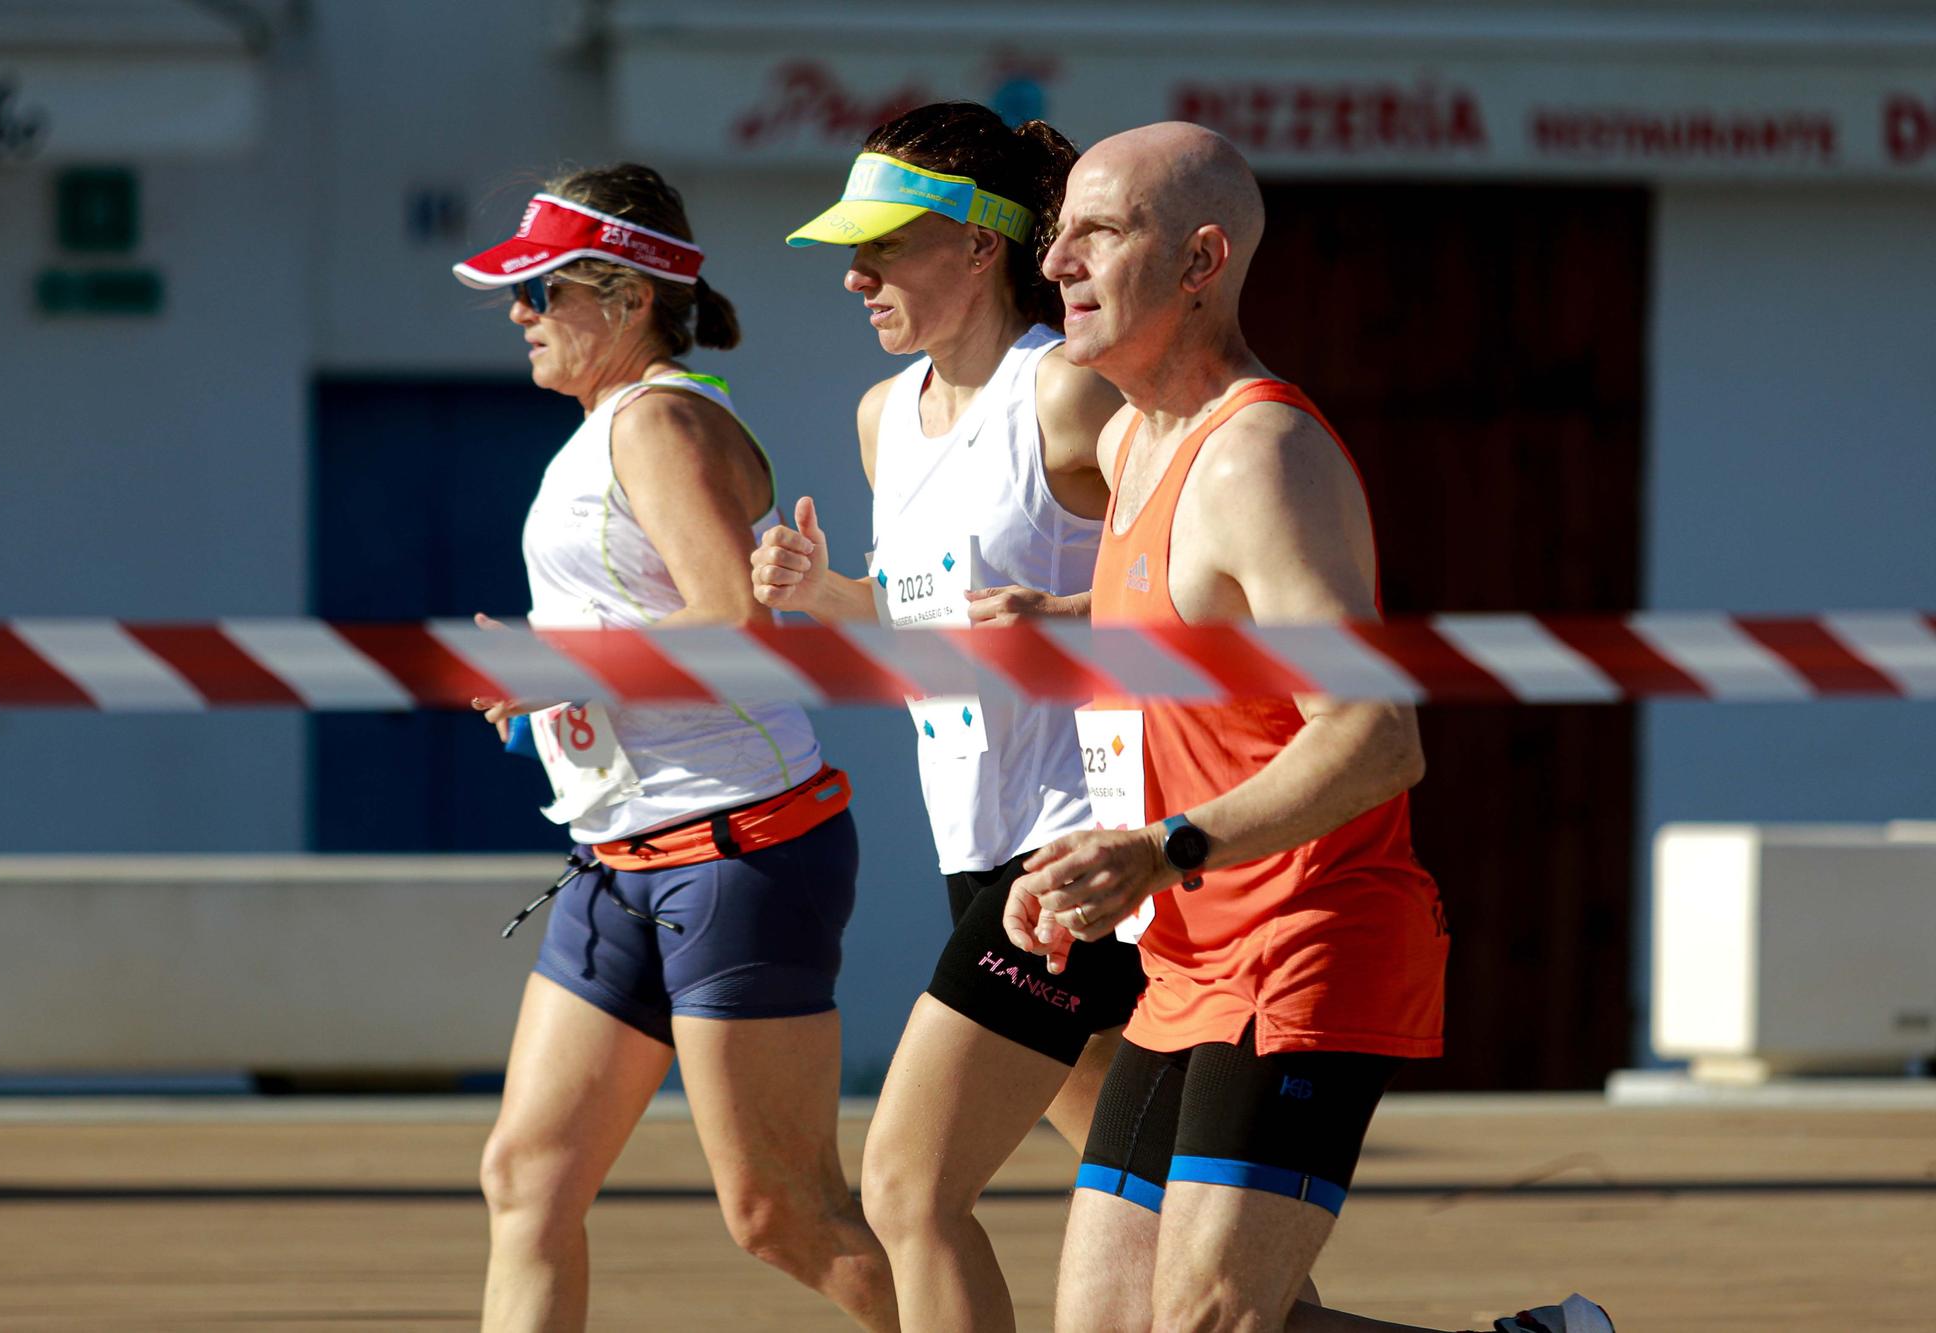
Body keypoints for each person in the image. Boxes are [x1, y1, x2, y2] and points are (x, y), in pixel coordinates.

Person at [1002, 123, 1615, 1333]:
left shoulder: (1260, 455)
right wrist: (1066, 638)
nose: (1054, 259)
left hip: (1305, 938)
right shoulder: (1130, 439)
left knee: (1205, 1325)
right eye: (1054, 229)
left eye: (1097, 231)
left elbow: (1377, 735)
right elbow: (1205, 621)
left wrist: (1163, 844)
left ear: (1200, 260)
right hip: (1184, 953)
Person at [452, 164, 895, 1332]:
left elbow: (729, 624)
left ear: (627, 295)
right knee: (525, 1174)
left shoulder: (654, 419)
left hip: (738, 850)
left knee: (781, 1216)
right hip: (626, 856)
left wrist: (558, 671)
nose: (520, 313)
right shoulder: (624, 422)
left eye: (542, 292)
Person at [750, 101, 1147, 1330]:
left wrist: (1069, 611)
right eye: (846, 250)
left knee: (909, 1186)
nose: (853, 273)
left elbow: (1202, 582)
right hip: (975, 836)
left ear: (982, 247)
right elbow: (941, 615)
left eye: (884, 245)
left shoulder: (1072, 398)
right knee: (1175, 1230)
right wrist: (829, 596)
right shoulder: (884, 419)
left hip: (1089, 845)